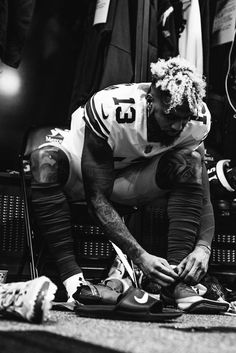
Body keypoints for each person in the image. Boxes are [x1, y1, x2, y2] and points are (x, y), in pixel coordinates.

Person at [30, 56, 222, 312]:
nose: (177, 125)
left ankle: (175, 283)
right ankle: (73, 281)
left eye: (183, 119)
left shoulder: (196, 119)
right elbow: (96, 198)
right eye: (170, 116)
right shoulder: (112, 108)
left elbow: (202, 188)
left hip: (133, 179)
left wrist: (204, 246)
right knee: (45, 161)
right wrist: (139, 255)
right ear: (151, 100)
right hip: (82, 171)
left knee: (189, 162)